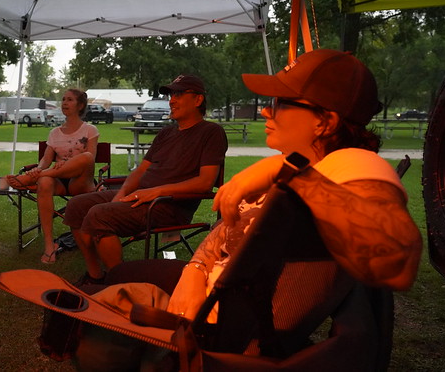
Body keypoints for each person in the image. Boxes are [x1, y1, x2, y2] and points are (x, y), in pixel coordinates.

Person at [167, 49, 423, 320]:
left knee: (132, 283)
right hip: (203, 296)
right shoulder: (303, 165)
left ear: (324, 122)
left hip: (219, 326)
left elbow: (397, 266)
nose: (266, 111)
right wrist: (194, 269)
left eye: (280, 103)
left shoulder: (353, 164)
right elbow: (225, 231)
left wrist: (289, 173)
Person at [63, 74, 228, 285]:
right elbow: (140, 171)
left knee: (98, 216)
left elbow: (205, 182)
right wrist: (121, 195)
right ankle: (96, 276)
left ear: (198, 100)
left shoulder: (211, 132)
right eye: (170, 95)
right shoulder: (166, 133)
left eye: (178, 94)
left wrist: (154, 192)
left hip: (168, 206)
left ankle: (121, 284)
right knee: (77, 206)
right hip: (140, 196)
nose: (171, 100)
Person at [6, 89, 99, 264]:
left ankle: (32, 179)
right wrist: (38, 169)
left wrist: (64, 164)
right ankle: (49, 246)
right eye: (63, 99)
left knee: (86, 157)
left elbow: (91, 160)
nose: (64, 103)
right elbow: (46, 160)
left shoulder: (90, 130)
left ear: (80, 105)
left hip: (81, 181)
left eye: (69, 99)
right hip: (59, 180)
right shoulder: (54, 133)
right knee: (45, 181)